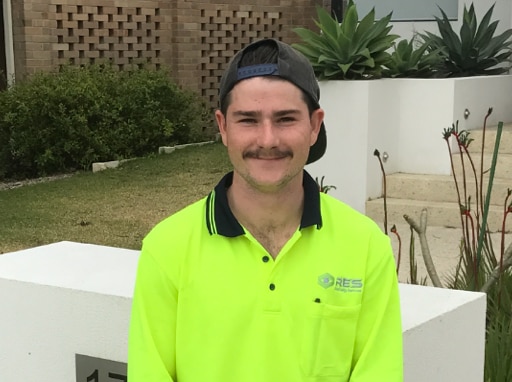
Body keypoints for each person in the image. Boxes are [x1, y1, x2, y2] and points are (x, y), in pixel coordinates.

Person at [128, 38, 403, 381]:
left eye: (286, 119)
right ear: (223, 126)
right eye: (248, 120)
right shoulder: (167, 248)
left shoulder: (365, 246)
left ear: (315, 125)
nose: (268, 140)